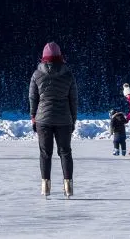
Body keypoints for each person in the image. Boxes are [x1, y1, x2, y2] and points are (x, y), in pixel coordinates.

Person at [29, 42, 77, 197]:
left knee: (45, 153)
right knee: (65, 152)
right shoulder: (68, 74)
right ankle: (68, 186)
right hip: (64, 119)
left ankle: (45, 186)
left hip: (43, 119)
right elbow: (73, 99)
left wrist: (33, 116)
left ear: (44, 58)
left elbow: (32, 98)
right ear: (60, 56)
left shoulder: (37, 74)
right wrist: (73, 119)